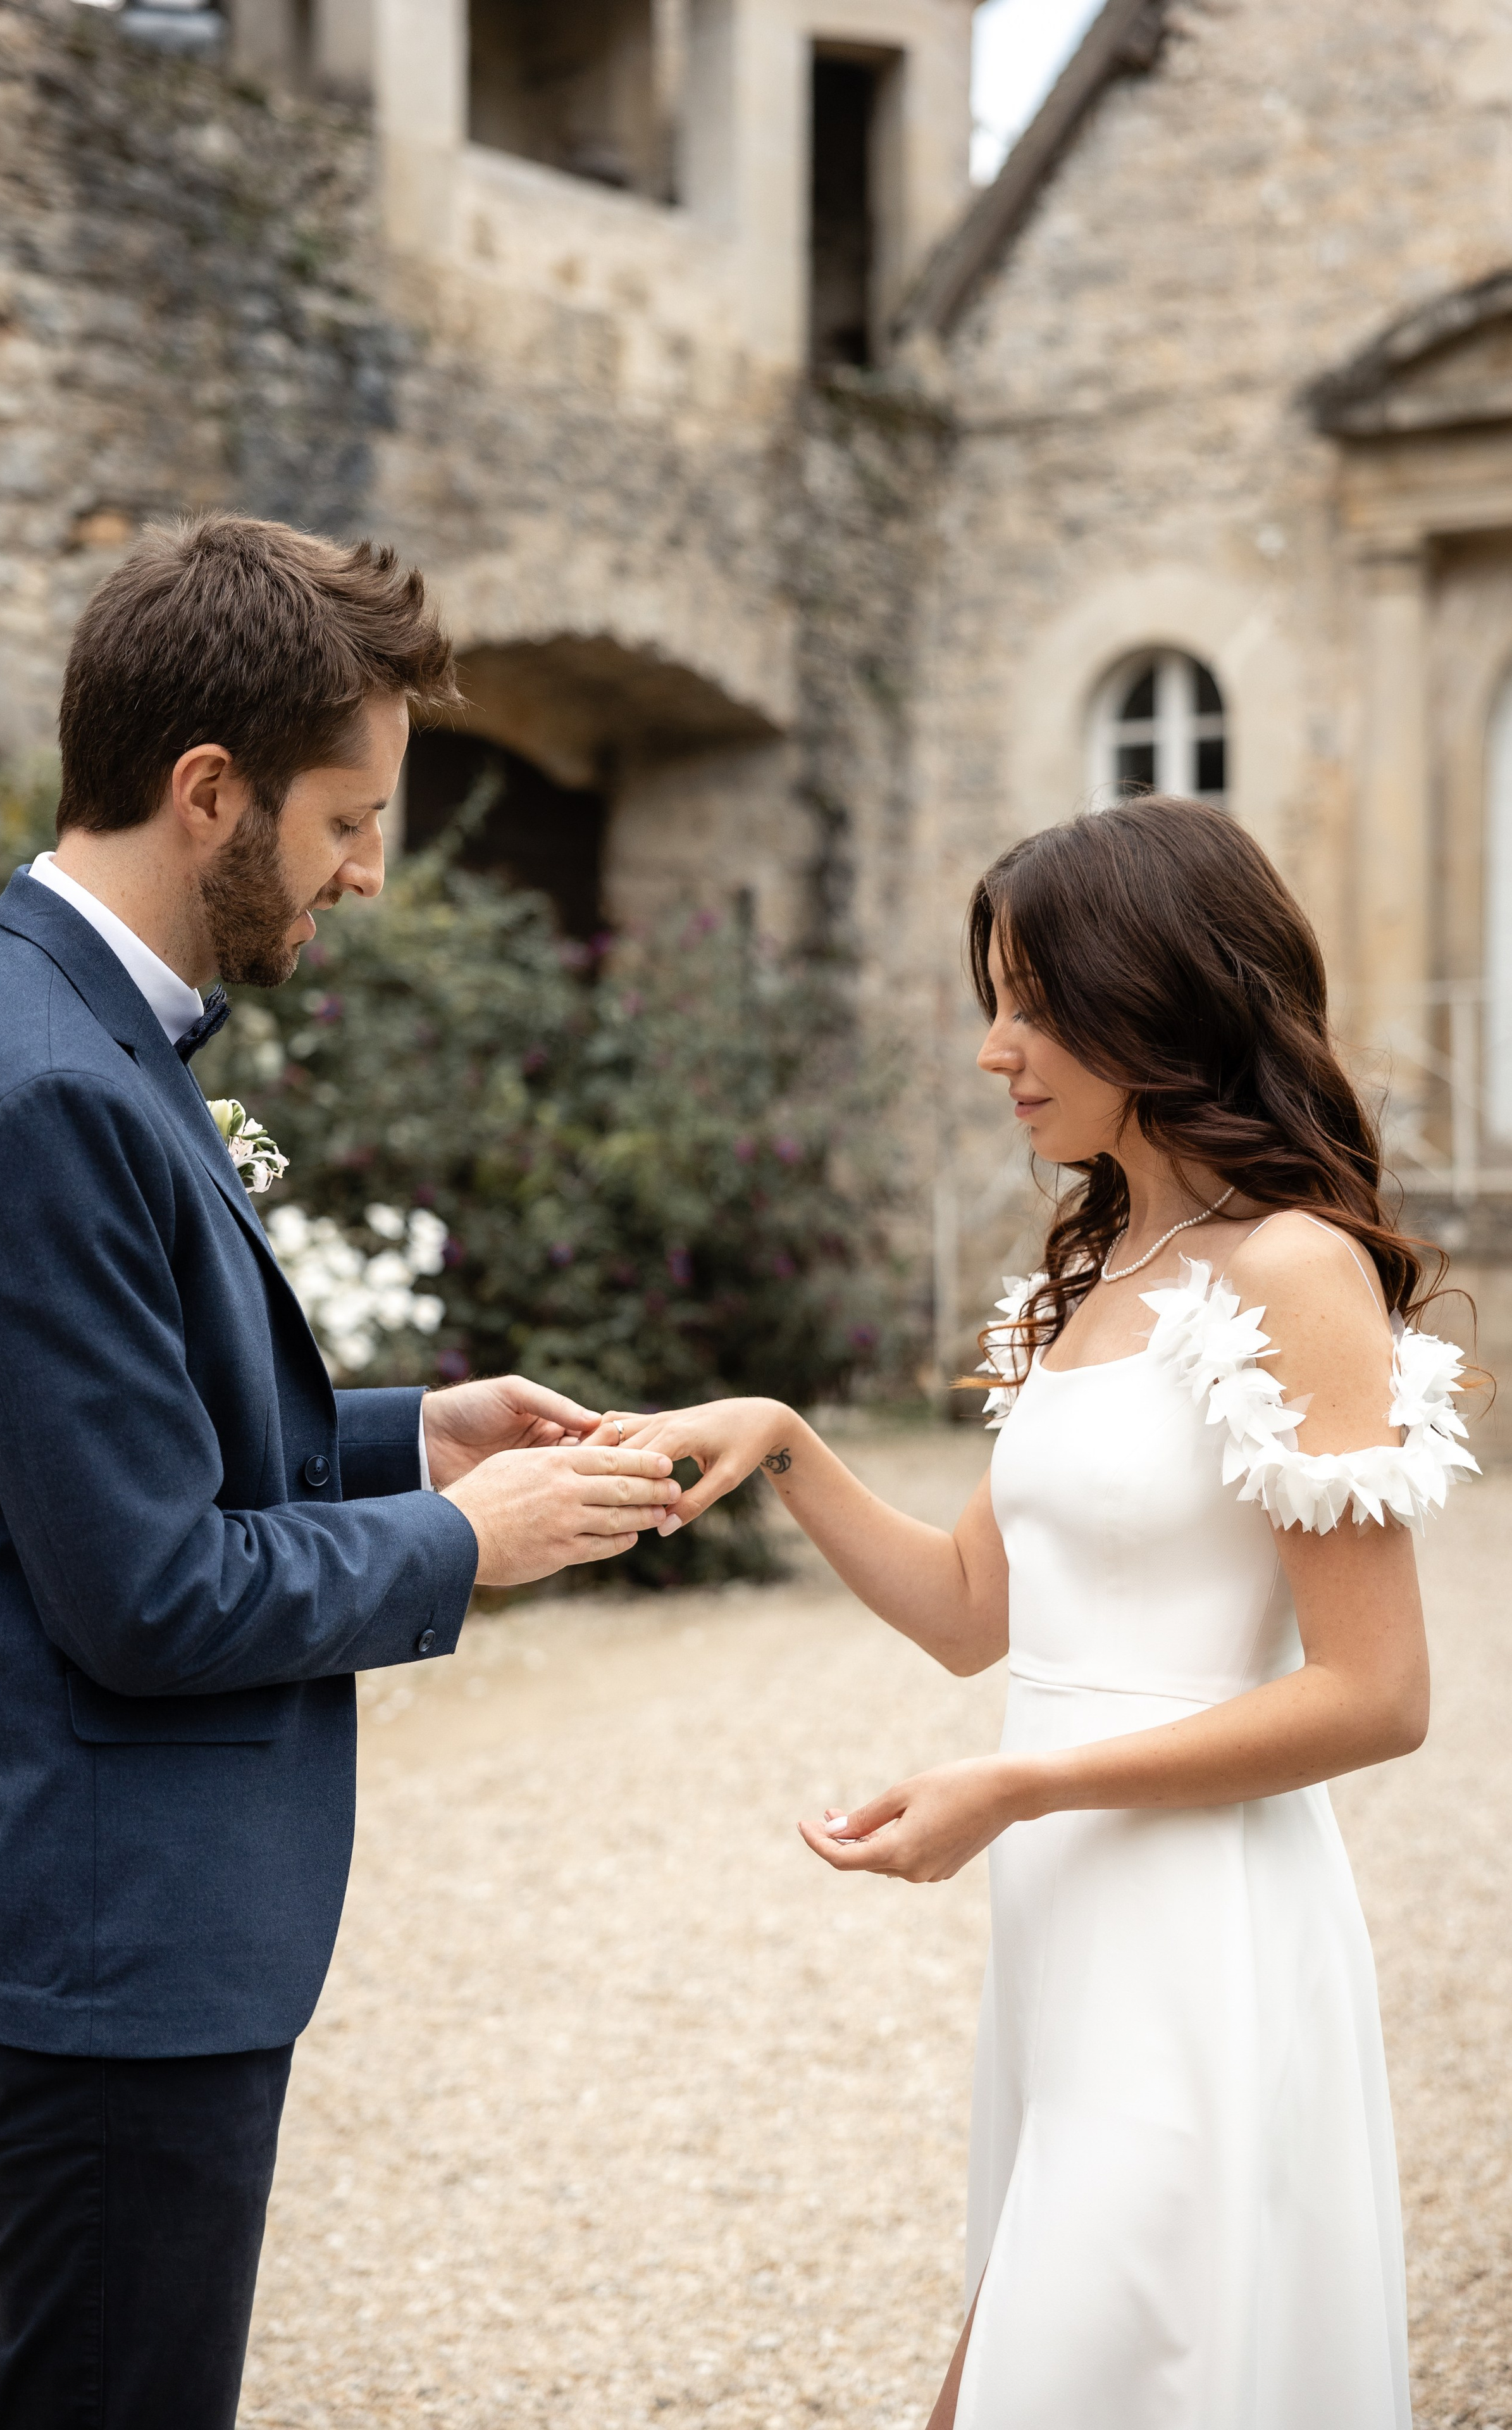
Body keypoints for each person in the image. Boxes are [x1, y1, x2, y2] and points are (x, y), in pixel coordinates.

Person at [0, 513, 684, 2429]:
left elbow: (105, 1448)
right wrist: (459, 1543)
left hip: (108, 1909)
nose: (370, 870)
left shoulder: (66, 1027)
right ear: (207, 792)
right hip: (109, 1941)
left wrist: (418, 1431)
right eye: (348, 816)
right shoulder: (52, 1088)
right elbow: (152, 1588)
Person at [610, 797, 1476, 2429]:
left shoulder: (1295, 1270)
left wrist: (1014, 1788)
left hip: (1203, 1931)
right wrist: (785, 1439)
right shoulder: (1092, 1275)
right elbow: (965, 1613)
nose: (995, 1049)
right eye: (989, 1001)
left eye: (1031, 1000)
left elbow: (1380, 1696)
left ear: (1157, 994)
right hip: (1067, 1933)